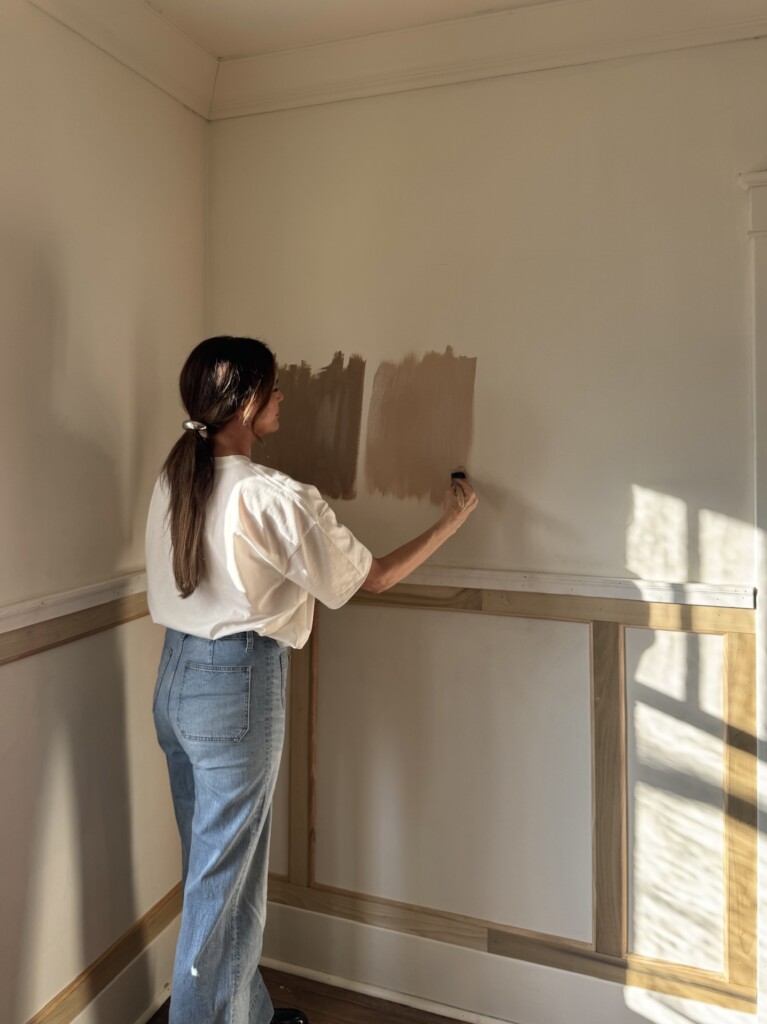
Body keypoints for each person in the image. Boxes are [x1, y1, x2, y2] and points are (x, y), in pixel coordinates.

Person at [145, 336, 478, 1024]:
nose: (283, 398)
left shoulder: (173, 480)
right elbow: (373, 579)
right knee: (223, 888)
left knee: (220, 878)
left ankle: (253, 1014)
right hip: (235, 687)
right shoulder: (274, 496)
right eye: (272, 389)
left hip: (175, 680)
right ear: (243, 404)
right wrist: (450, 522)